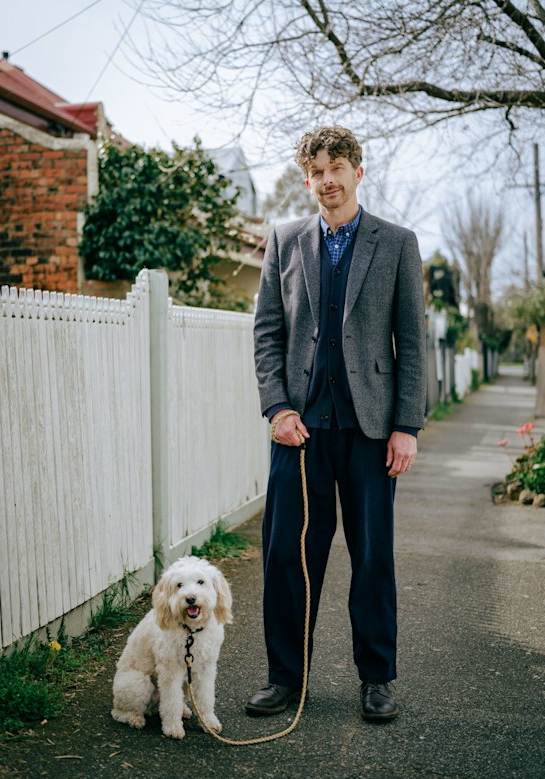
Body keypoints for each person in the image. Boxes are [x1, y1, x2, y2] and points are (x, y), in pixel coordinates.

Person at [248, 126, 426, 721]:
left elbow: (413, 342)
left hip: (371, 431)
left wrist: (407, 424)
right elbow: (268, 332)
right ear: (307, 179)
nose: (327, 179)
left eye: (337, 167)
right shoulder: (285, 240)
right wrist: (277, 407)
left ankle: (376, 679)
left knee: (373, 557)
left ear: (357, 171)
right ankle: (284, 677)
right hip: (300, 433)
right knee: (287, 555)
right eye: (317, 170)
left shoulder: (397, 243)